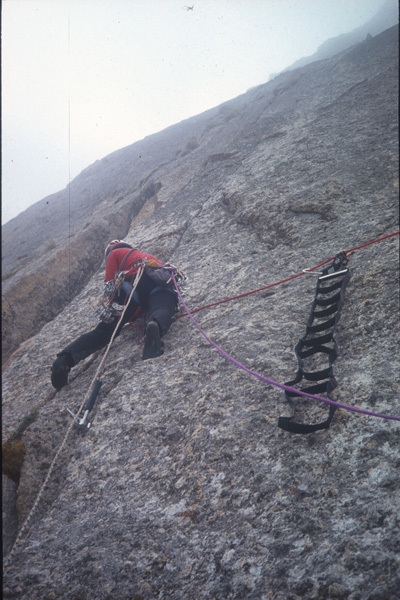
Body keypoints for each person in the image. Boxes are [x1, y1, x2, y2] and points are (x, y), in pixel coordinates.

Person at [51, 240, 178, 390]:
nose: (115, 241)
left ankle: (65, 359)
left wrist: (112, 310)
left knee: (105, 332)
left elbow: (110, 285)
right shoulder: (146, 255)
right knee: (162, 306)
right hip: (159, 281)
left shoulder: (115, 253)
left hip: (133, 286)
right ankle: (155, 325)